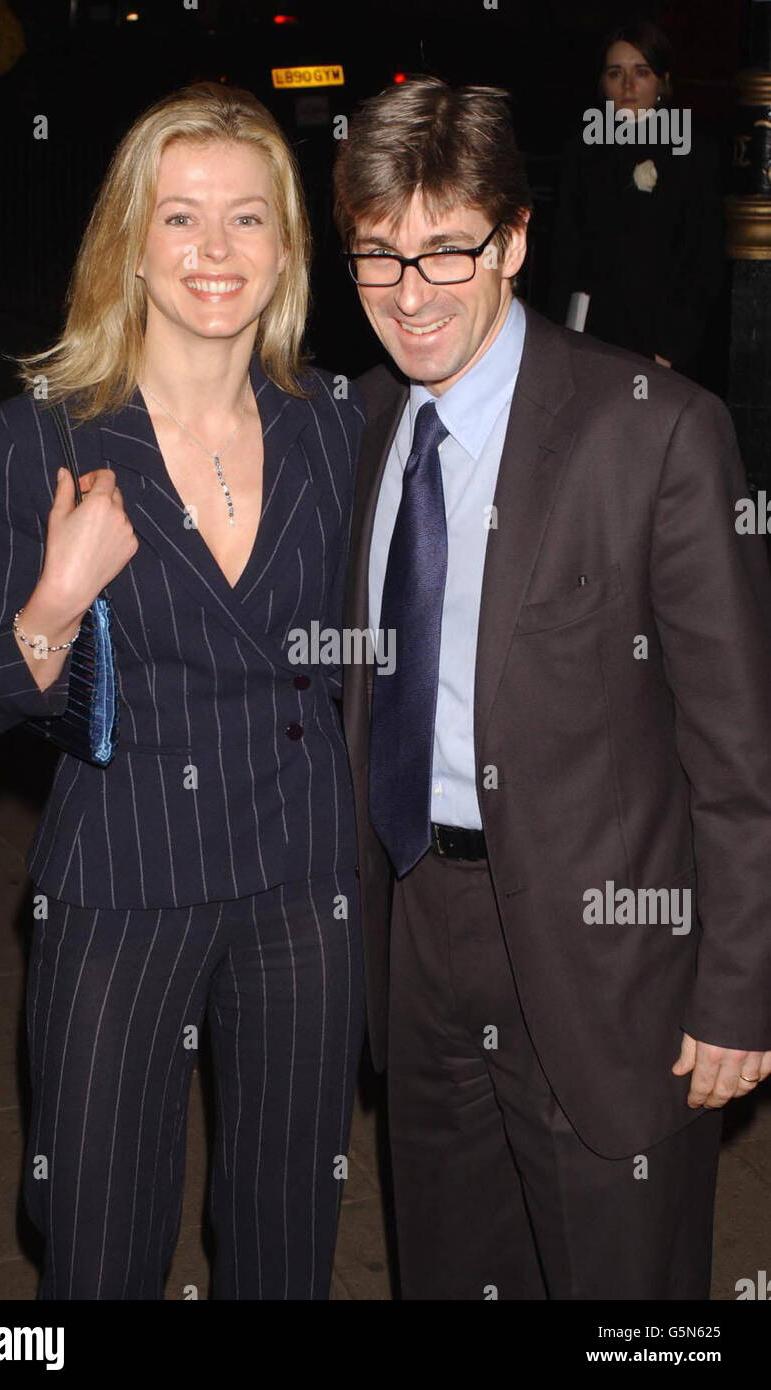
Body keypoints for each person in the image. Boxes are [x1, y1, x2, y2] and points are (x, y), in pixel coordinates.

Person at [332, 74, 771, 1300]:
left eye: (446, 250)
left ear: (515, 239)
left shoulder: (656, 431)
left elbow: (743, 751)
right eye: (377, 256)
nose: (410, 295)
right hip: (417, 938)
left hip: (609, 966)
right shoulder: (363, 426)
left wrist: (741, 990)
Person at [0, 81, 365, 1300]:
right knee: (99, 1241)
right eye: (179, 218)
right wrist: (55, 600)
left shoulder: (338, 423)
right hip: (123, 885)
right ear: (129, 242)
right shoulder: (34, 439)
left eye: (246, 219)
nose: (214, 252)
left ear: (286, 245)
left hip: (301, 886)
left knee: (286, 1241)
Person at [547, 18, 724, 381]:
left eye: (641, 72)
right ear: (602, 83)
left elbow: (703, 256)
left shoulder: (690, 150)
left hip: (658, 340)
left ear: (662, 81)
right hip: (591, 332)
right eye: (616, 73)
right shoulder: (583, 150)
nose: (627, 85)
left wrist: (670, 349)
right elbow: (565, 248)